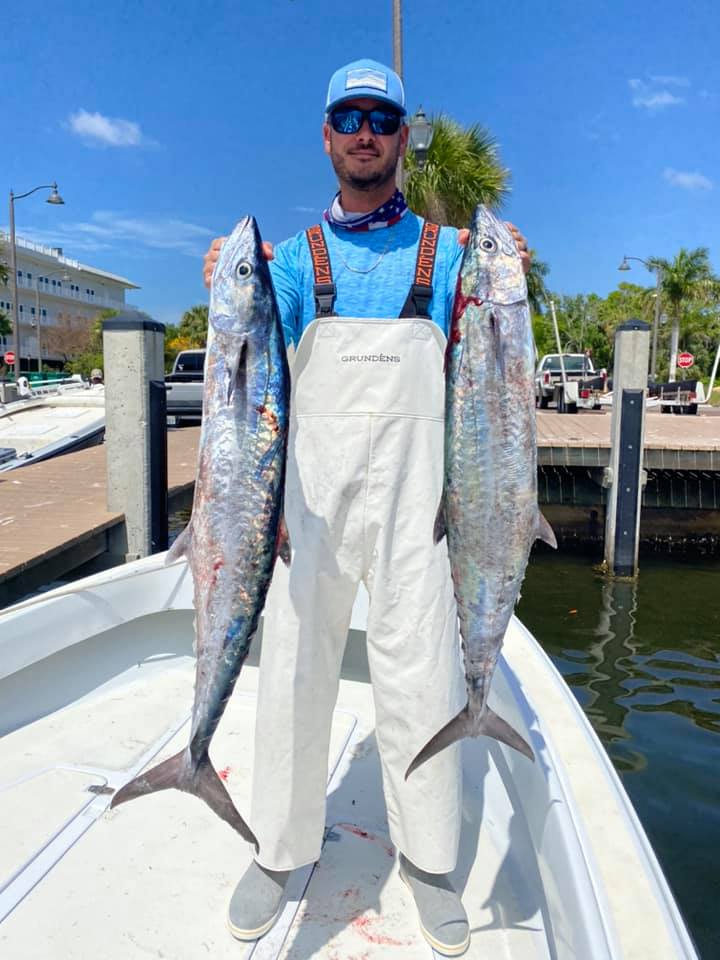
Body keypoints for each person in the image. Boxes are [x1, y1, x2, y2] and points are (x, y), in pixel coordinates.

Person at [203, 58, 530, 957]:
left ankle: (428, 865)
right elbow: (254, 376)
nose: (363, 132)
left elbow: (496, 356)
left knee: (422, 681)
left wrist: (518, 272)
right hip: (310, 506)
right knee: (294, 678)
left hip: (420, 513)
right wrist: (224, 286)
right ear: (326, 135)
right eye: (347, 116)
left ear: (400, 136)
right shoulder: (296, 263)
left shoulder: (456, 254)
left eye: (380, 117)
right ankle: (278, 851)